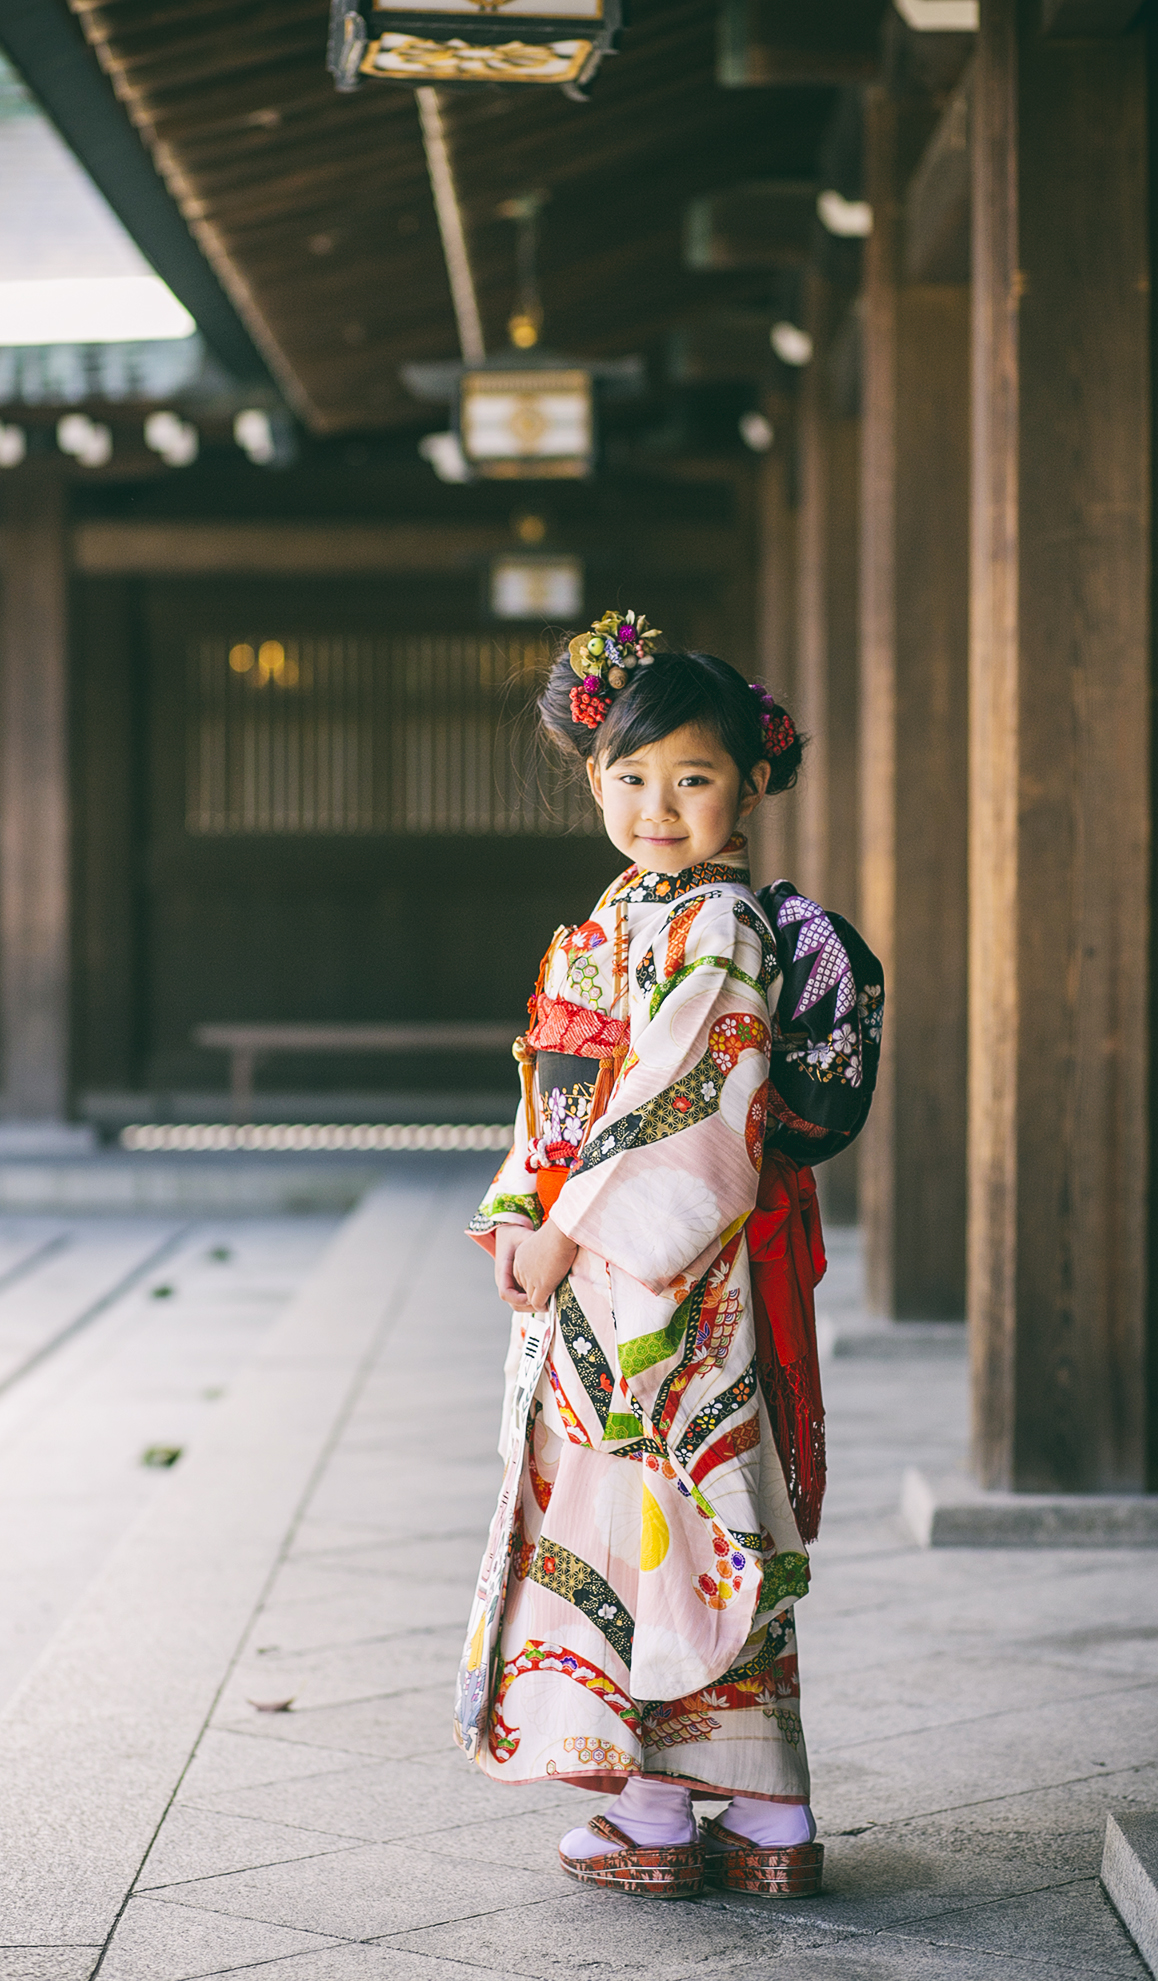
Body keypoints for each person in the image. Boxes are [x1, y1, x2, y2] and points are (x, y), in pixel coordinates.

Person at [457, 612, 883, 1900]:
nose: (659, 804)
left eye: (693, 778)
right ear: (594, 778)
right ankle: (751, 1814)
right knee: (661, 1526)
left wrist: (567, 1227)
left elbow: (685, 1099)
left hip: (668, 1280)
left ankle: (680, 1809)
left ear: (750, 785)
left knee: (679, 1520)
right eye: (632, 778)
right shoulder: (627, 911)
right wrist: (520, 1218)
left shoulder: (719, 929)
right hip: (595, 1262)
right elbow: (560, 1091)